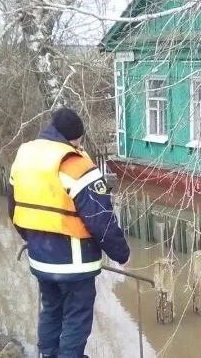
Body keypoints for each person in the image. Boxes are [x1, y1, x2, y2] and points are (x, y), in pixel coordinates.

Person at [7, 108, 130, 358]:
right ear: (75, 138)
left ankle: (48, 354)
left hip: (40, 257)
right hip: (75, 263)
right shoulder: (76, 164)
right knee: (77, 316)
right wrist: (122, 253)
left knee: (51, 309)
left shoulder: (25, 158)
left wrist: (32, 239)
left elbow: (14, 207)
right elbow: (100, 219)